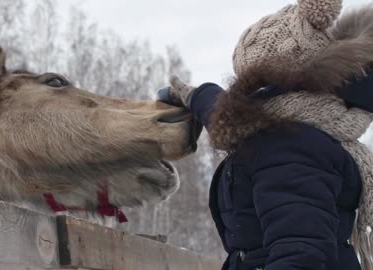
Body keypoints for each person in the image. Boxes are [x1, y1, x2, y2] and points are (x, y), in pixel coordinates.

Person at [158, 1, 373, 269]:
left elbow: (300, 255)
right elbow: (221, 110)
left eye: (251, 82)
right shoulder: (288, 126)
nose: (239, 96)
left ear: (277, 85)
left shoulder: (290, 149)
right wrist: (194, 96)